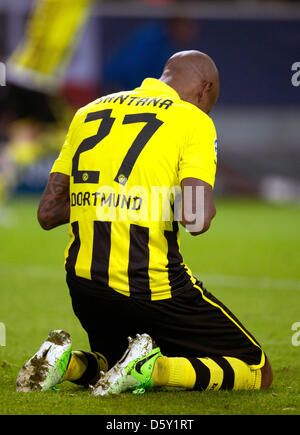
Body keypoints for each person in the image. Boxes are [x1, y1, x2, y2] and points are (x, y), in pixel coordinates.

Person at [16, 50, 273, 395]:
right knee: (257, 370)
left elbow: (47, 213)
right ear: (204, 89)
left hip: (86, 287)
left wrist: (107, 198)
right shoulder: (193, 119)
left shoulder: (88, 111)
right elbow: (196, 218)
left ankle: (67, 362)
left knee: (116, 359)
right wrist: (164, 197)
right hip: (153, 287)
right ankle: (158, 370)